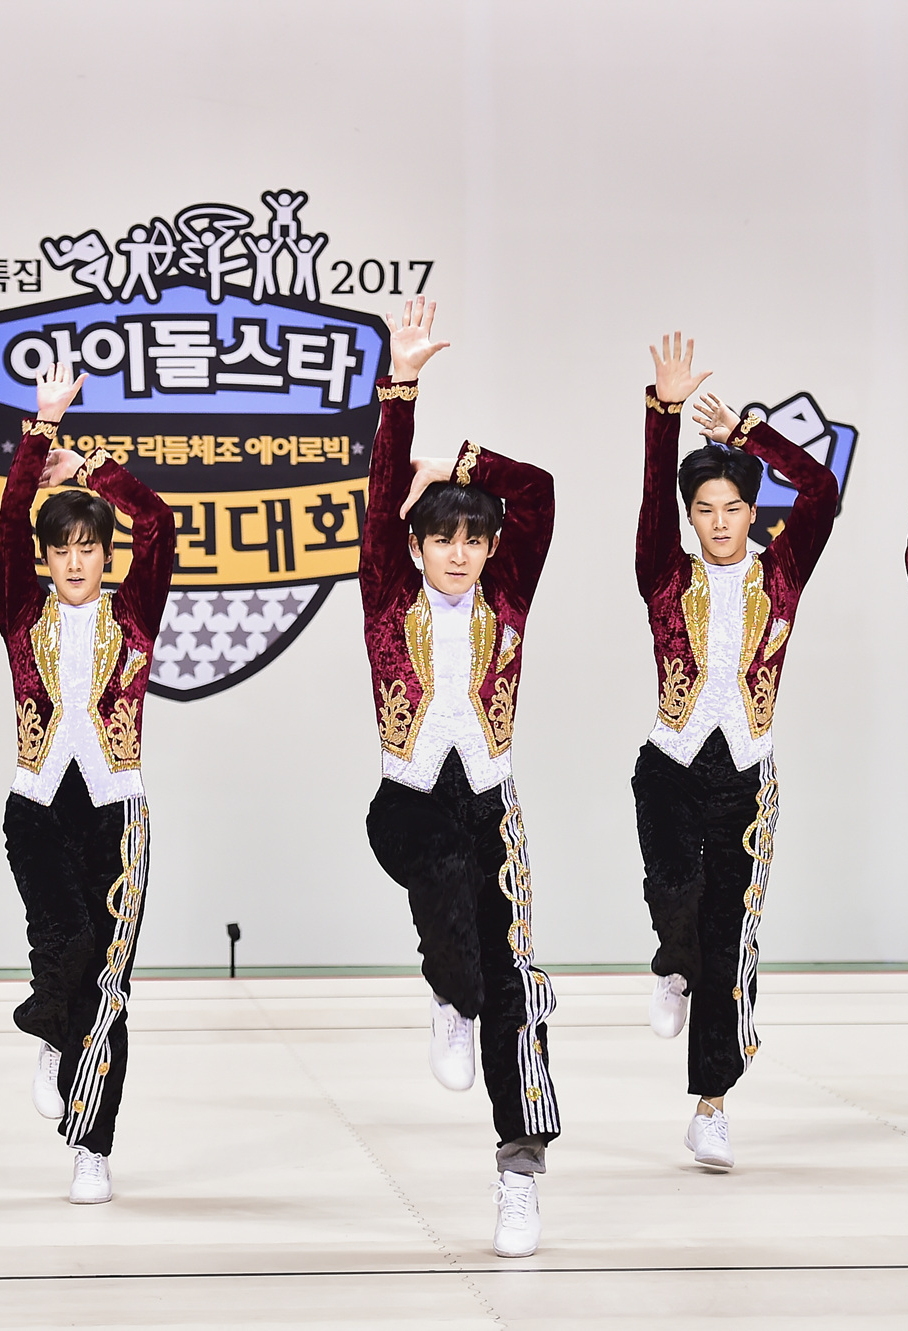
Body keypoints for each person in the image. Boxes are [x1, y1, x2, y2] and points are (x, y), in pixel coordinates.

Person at [361, 299, 558, 1259]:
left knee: (517, 983)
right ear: (417, 545)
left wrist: (461, 464)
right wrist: (401, 390)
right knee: (447, 903)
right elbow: (378, 498)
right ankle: (450, 988)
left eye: (474, 539)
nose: (460, 553)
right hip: (406, 802)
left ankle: (520, 1170)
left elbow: (540, 491)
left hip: (491, 805)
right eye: (444, 537)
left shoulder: (507, 597)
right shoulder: (386, 591)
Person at [632, 333, 838, 1172]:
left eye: (732, 508)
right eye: (704, 510)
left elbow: (822, 488)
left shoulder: (782, 574)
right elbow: (652, 495)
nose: (718, 522)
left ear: (753, 512)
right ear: (691, 518)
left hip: (748, 776)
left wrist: (748, 432)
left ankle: (711, 1106)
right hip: (669, 769)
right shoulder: (663, 573)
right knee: (675, 897)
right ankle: (670, 962)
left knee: (732, 942)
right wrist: (666, 413)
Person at [0, 360, 175, 1204]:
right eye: (61, 548)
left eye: (88, 547)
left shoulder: (134, 612)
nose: (74, 560)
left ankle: (92, 1146)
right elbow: (5, 527)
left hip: (116, 812)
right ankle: (50, 1025)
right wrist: (39, 432)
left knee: (110, 981)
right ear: (45, 557)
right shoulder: (19, 612)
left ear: (106, 553)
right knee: (60, 943)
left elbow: (159, 522)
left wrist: (91, 467)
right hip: (35, 807)